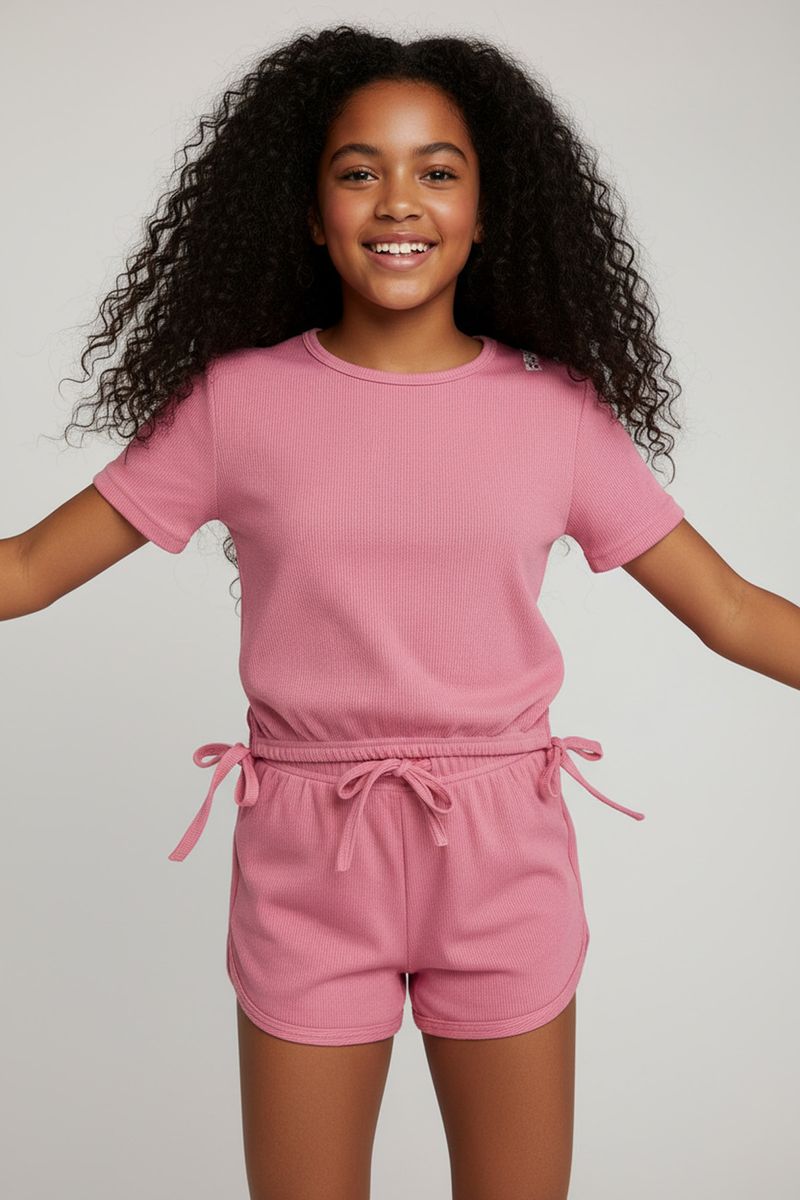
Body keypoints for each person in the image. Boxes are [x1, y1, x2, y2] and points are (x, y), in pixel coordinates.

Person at [3, 23, 798, 1200]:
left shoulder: (556, 415)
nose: (397, 201)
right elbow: (25, 568)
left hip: (501, 856)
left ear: (484, 212)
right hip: (307, 861)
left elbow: (728, 609)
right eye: (357, 170)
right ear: (308, 210)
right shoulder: (235, 405)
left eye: (436, 170)